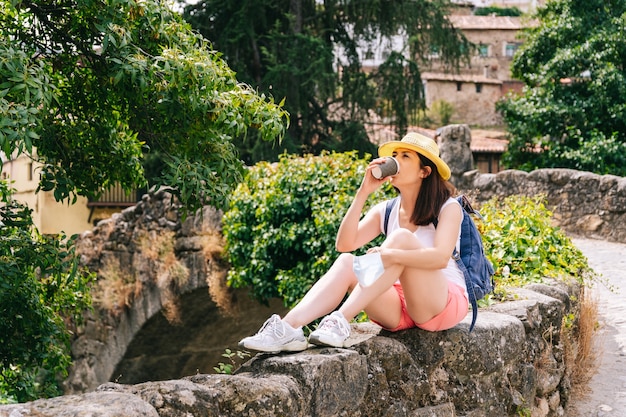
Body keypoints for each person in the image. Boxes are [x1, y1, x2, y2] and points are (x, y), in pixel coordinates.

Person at [238, 132, 469, 352]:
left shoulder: (448, 208)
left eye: (405, 156)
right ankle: (288, 328)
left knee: (401, 239)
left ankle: (340, 320)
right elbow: (345, 244)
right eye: (395, 155)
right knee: (347, 261)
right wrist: (364, 191)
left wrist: (388, 255)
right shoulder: (387, 210)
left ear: (424, 172)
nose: (395, 160)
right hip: (400, 306)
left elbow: (439, 258)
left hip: (442, 303)